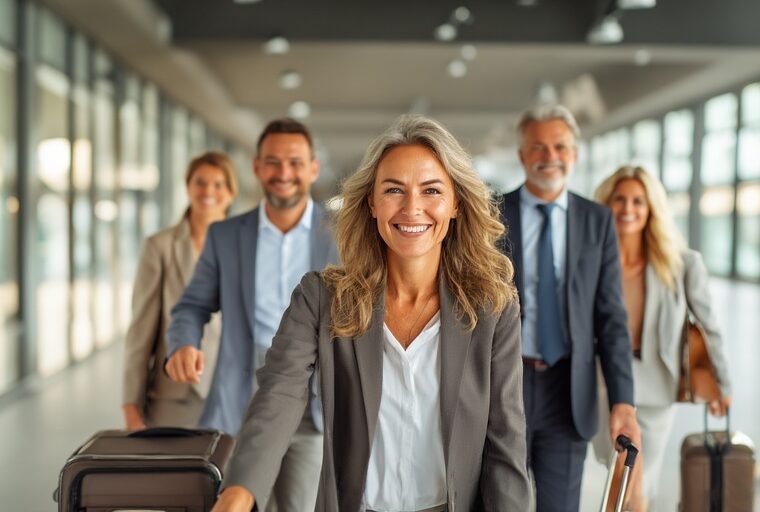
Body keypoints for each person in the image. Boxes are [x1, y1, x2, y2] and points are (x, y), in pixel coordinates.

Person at [211, 114, 533, 512]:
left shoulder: (492, 308)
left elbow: (506, 441)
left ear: (455, 204)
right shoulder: (321, 298)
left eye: (431, 190)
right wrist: (239, 493)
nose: (412, 208)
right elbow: (278, 396)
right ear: (372, 204)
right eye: (394, 190)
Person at [165, 119, 338, 512]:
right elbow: (192, 306)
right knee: (235, 504)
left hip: (314, 401)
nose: (283, 174)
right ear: (257, 167)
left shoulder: (343, 234)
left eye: (294, 163)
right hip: (238, 399)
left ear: (312, 168)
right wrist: (183, 342)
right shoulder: (226, 235)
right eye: (273, 163)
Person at [498, 104, 641, 512]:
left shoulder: (597, 221)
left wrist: (622, 402)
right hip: (504, 383)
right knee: (500, 501)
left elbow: (611, 317)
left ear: (574, 154)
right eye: (538, 147)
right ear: (523, 155)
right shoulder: (491, 215)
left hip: (568, 387)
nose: (550, 156)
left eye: (560, 146)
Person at [593, 165, 732, 511]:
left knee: (634, 476)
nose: (628, 209)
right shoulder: (591, 262)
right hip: (603, 384)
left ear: (652, 208)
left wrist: (722, 384)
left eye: (638, 201)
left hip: (656, 386)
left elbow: (709, 324)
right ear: (606, 204)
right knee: (620, 475)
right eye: (619, 199)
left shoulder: (681, 264)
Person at [122, 151, 237, 429]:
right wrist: (130, 405)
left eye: (218, 184)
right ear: (188, 187)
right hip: (174, 395)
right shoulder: (160, 247)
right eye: (200, 182)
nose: (208, 191)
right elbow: (141, 330)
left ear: (231, 193)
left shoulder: (244, 246)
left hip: (234, 392)